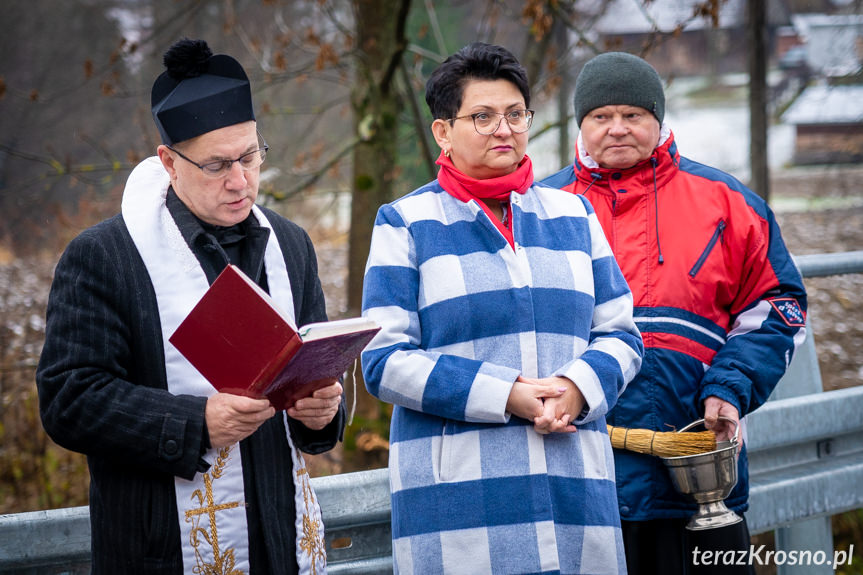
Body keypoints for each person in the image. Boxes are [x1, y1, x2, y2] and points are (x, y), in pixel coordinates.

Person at [36, 38, 344, 575]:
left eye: (250, 156)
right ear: (169, 162)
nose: (240, 180)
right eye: (216, 164)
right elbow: (69, 400)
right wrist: (195, 421)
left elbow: (314, 366)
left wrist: (323, 412)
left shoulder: (290, 243)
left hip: (281, 538)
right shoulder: (105, 256)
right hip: (160, 547)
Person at [361, 42, 643, 575]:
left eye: (515, 115)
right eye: (483, 117)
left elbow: (621, 334)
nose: (504, 130)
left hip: (573, 484)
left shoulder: (573, 214)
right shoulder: (406, 224)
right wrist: (505, 394)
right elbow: (384, 360)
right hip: (462, 499)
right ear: (443, 131)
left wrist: (578, 388)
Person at [541, 51, 808, 574]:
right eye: (601, 116)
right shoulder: (539, 208)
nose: (617, 129)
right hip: (578, 476)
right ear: (581, 124)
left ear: (658, 119)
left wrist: (729, 387)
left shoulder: (727, 202)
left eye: (633, 115)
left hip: (699, 475)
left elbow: (779, 306)